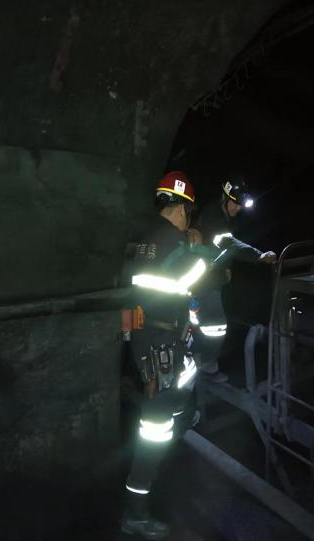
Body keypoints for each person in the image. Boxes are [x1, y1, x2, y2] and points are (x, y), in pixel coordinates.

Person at [122, 170, 210, 539]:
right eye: (189, 213)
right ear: (182, 210)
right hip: (160, 340)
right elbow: (198, 276)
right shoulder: (175, 243)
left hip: (146, 336)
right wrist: (199, 249)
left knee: (173, 402)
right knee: (155, 430)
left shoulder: (145, 238)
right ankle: (135, 511)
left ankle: (172, 434)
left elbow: (135, 290)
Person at [191, 176, 276, 382]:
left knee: (200, 323)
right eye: (235, 204)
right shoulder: (214, 216)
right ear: (224, 198)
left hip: (208, 279)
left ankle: (198, 360)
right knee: (216, 326)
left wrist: (226, 269)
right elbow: (230, 245)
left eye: (240, 206)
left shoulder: (223, 215)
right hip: (203, 280)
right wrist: (259, 255)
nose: (238, 209)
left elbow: (223, 249)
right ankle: (204, 364)